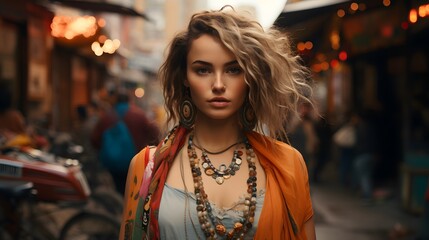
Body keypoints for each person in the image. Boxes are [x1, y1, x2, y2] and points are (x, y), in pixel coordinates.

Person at [120, 7, 316, 240]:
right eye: (203, 70)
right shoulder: (147, 167)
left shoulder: (288, 165)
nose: (218, 84)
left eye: (233, 69)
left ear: (250, 76)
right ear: (185, 76)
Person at [91, 89, 160, 195]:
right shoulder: (139, 115)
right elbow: (154, 133)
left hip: (111, 164)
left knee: (115, 189)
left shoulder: (106, 117)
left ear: (115, 101)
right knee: (132, 190)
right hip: (135, 161)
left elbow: (95, 139)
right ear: (129, 100)